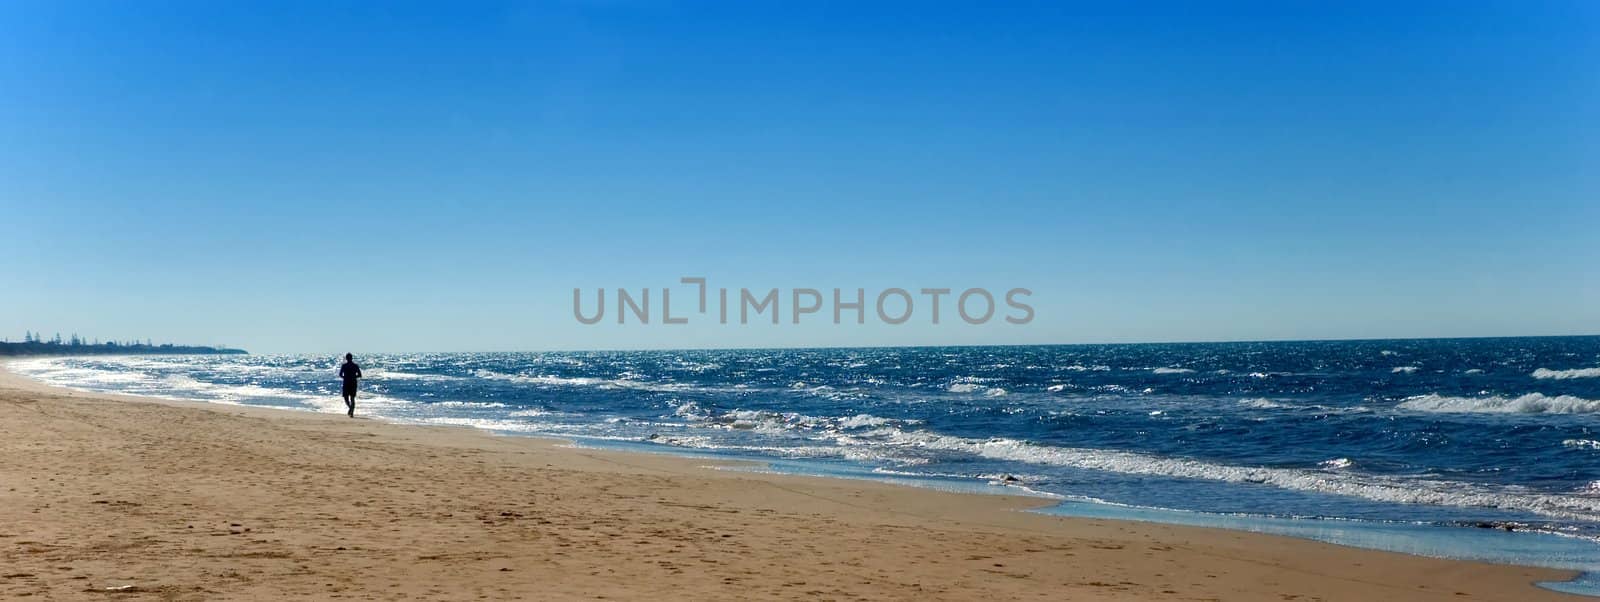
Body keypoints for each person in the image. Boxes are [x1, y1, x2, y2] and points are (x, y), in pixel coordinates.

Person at [338, 353, 362, 417]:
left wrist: (345, 377)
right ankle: (351, 409)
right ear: (351, 358)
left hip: (347, 383)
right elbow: (359, 375)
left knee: (348, 398)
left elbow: (340, 375)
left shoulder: (345, 366)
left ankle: (351, 410)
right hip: (352, 383)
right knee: (351, 398)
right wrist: (353, 377)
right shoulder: (354, 365)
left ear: (346, 358)